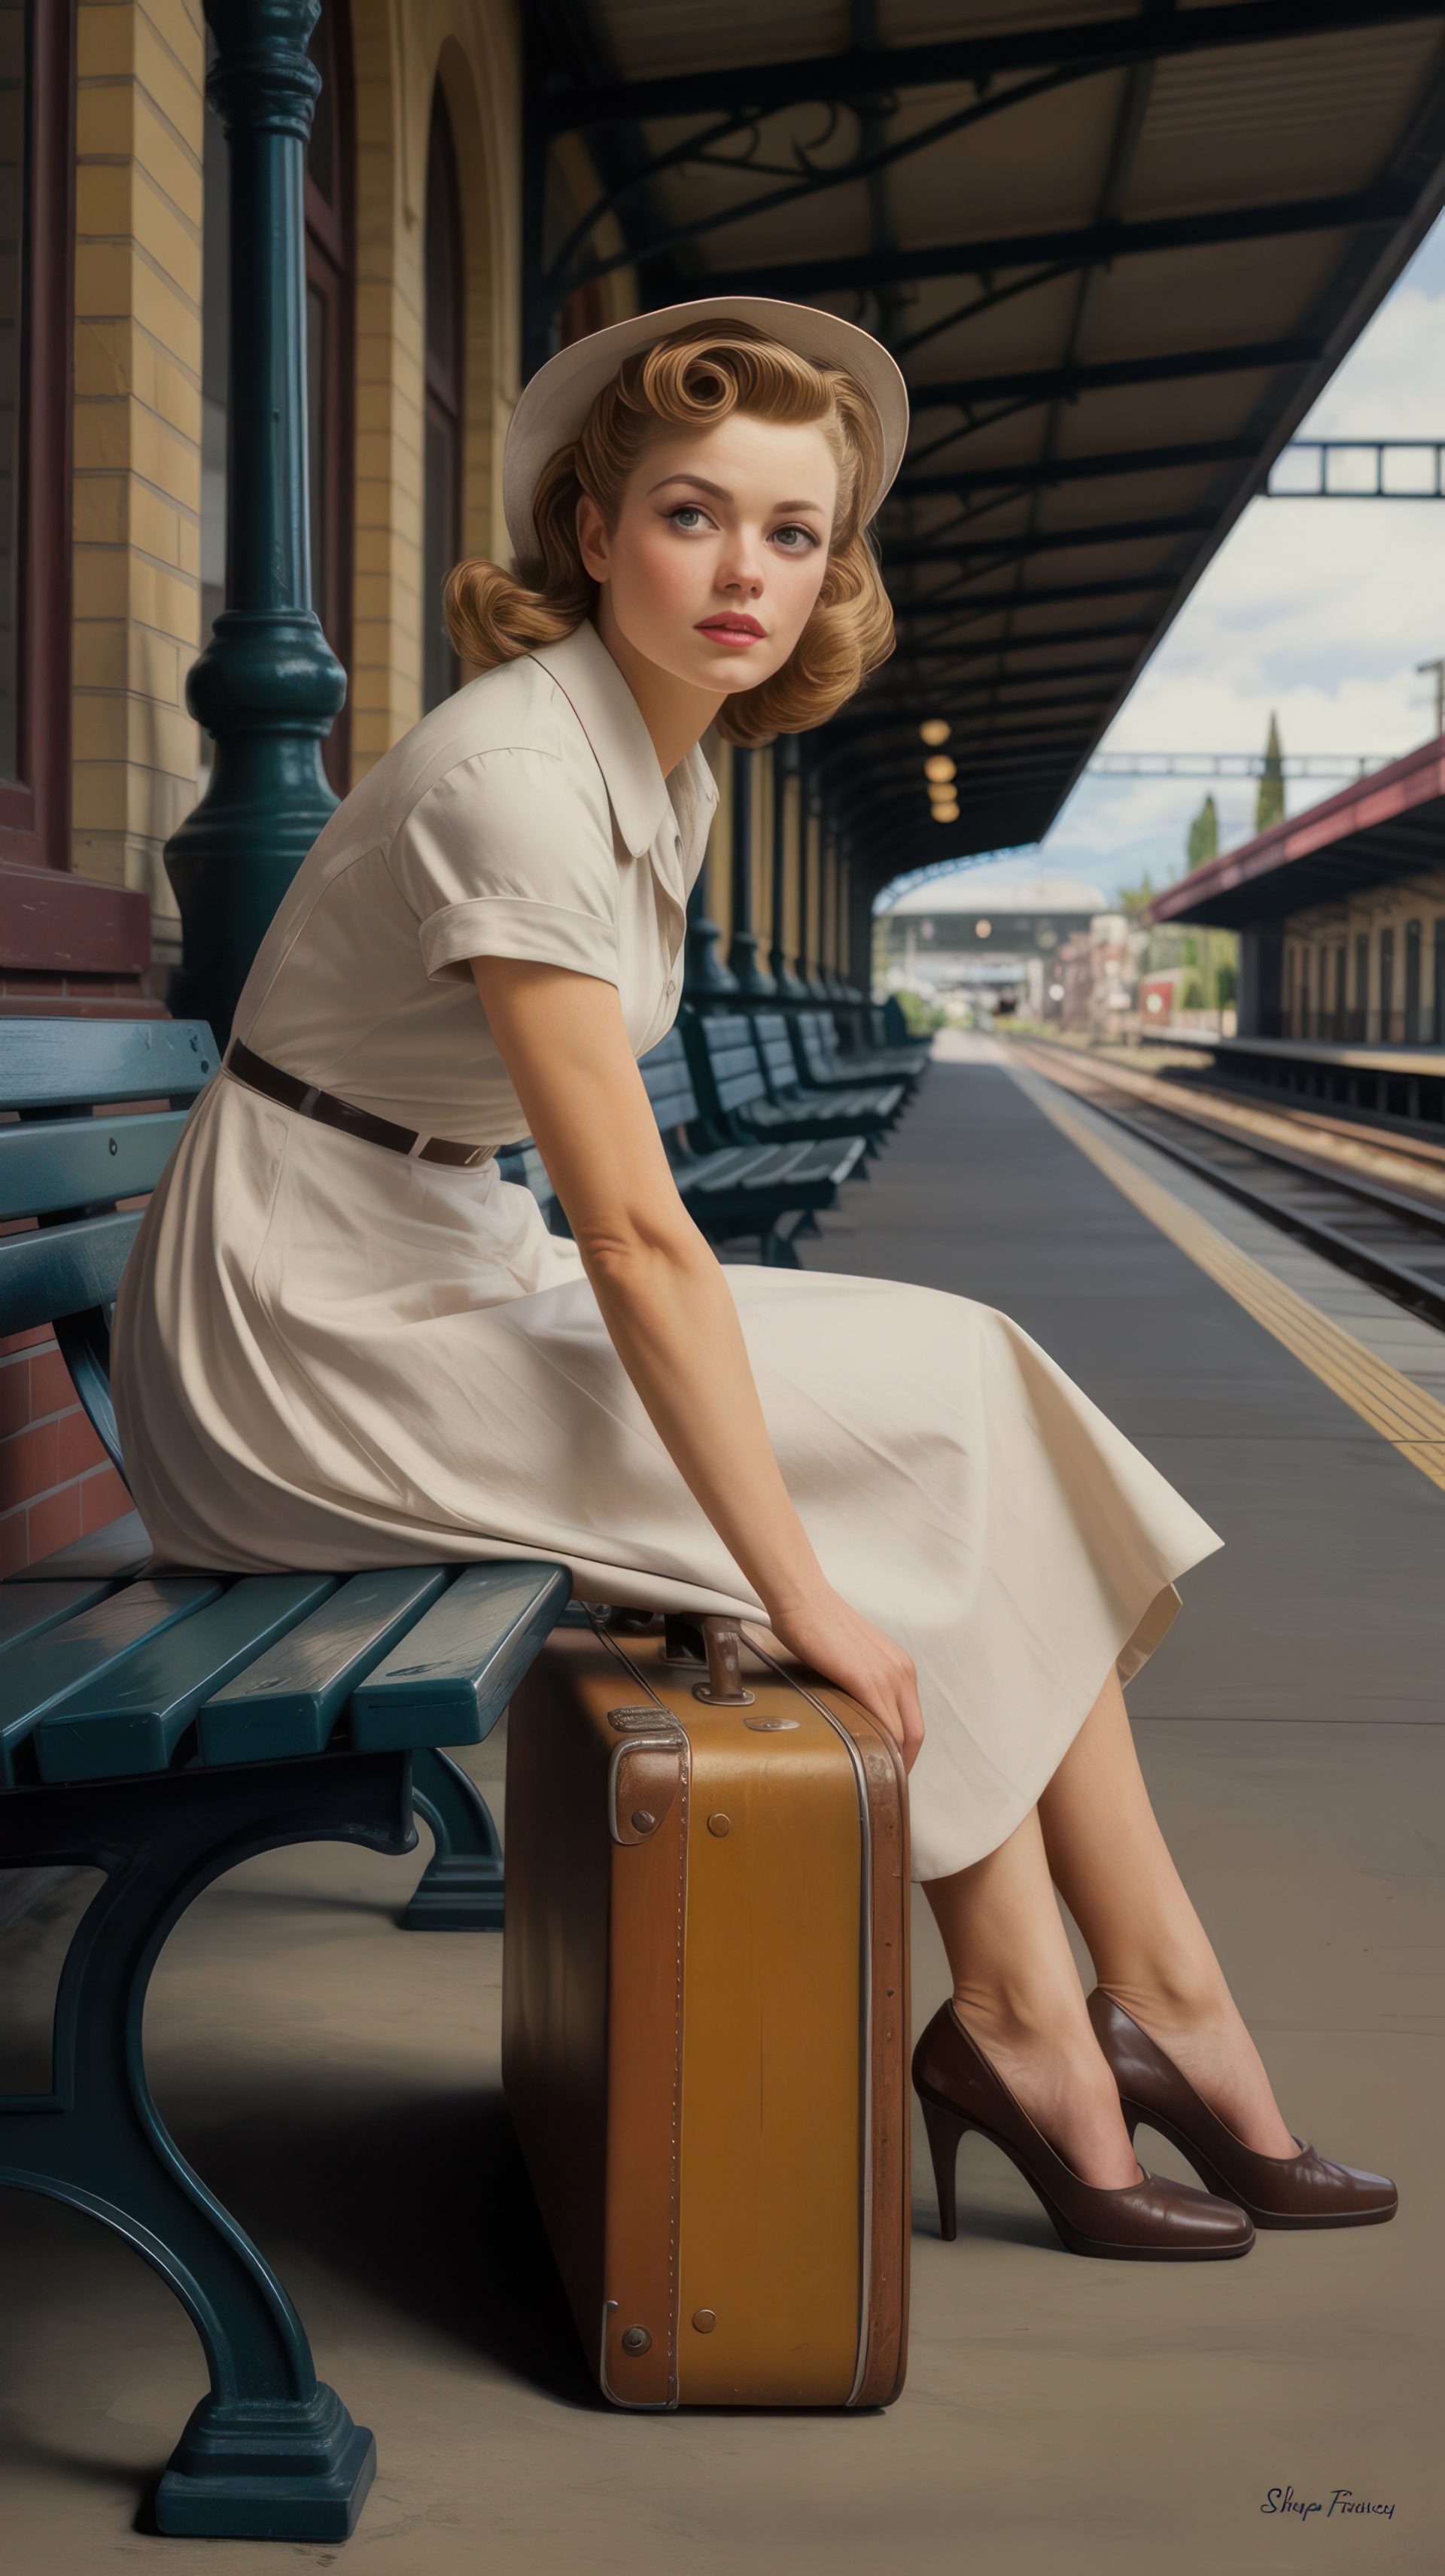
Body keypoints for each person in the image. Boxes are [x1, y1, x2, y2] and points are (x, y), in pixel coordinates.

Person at [111, 297, 1395, 2260]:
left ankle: (1149, 2009)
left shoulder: (669, 759)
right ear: (591, 528)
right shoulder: (516, 777)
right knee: (897, 1502)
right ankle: (1059, 2032)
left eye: (795, 534)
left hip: (440, 1261)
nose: (746, 573)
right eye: (695, 516)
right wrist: (805, 1603)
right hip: (310, 1340)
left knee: (974, 1374)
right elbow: (635, 1236)